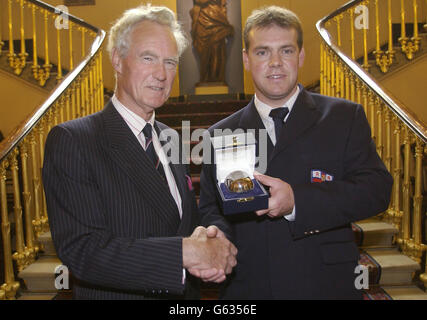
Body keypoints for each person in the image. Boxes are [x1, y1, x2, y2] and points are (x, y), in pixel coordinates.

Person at [42, 4, 237, 300]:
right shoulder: (74, 140)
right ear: (117, 61)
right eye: (148, 58)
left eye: (170, 62)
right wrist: (183, 253)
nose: (161, 73)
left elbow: (184, 221)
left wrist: (212, 239)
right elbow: (83, 251)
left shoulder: (170, 137)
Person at [198, 6, 393, 299]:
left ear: (301, 56)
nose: (275, 63)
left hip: (325, 284)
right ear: (246, 60)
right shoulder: (220, 133)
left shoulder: (344, 117)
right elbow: (212, 209)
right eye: (263, 52)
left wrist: (297, 201)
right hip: (250, 286)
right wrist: (217, 238)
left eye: (286, 51)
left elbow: (376, 189)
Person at [189, 0, 234, 83]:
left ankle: (216, 79)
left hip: (216, 18)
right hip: (202, 20)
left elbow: (223, 4)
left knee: (217, 51)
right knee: (203, 53)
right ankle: (205, 78)